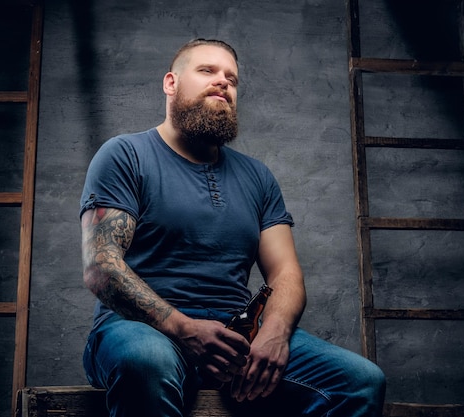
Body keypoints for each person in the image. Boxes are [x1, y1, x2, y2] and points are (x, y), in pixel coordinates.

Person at [80, 38, 385, 417]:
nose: (223, 82)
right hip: (142, 330)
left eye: (232, 78)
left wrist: (273, 334)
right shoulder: (125, 155)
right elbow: (101, 267)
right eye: (207, 71)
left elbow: (285, 272)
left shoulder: (257, 176)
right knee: (146, 361)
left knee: (361, 381)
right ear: (171, 83)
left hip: (236, 338)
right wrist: (184, 329)